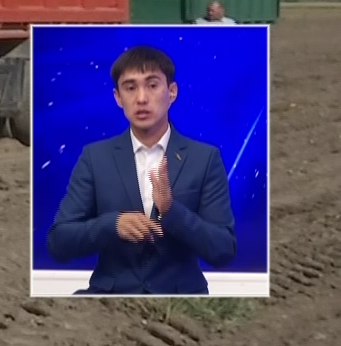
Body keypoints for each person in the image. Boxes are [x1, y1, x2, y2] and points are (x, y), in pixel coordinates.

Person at [46, 44, 237, 294]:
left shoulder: (205, 158)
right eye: (130, 87)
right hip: (110, 297)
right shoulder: (95, 157)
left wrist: (171, 212)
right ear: (118, 98)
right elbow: (59, 243)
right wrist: (111, 226)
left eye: (152, 85)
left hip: (179, 296)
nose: (142, 98)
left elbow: (223, 251)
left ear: (172, 92)